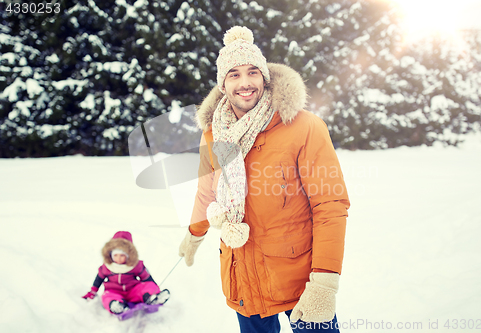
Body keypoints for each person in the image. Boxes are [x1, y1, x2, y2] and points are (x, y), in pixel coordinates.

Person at [179, 26, 350, 333]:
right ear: (223, 83)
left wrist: (324, 283)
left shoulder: (304, 127)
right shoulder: (213, 133)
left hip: (298, 281)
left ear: (264, 76)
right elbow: (207, 192)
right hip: (241, 274)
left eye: (252, 72)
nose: (245, 83)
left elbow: (330, 205)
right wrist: (194, 234)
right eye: (234, 74)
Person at [82, 231, 170, 314]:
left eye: (122, 255)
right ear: (110, 255)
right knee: (106, 296)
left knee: (147, 286)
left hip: (132, 291)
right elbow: (99, 278)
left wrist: (154, 289)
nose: (118, 258)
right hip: (114, 291)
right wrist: (93, 291)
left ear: (128, 255)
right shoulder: (107, 266)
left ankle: (153, 298)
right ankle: (117, 306)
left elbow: (147, 278)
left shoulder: (134, 265)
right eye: (115, 255)